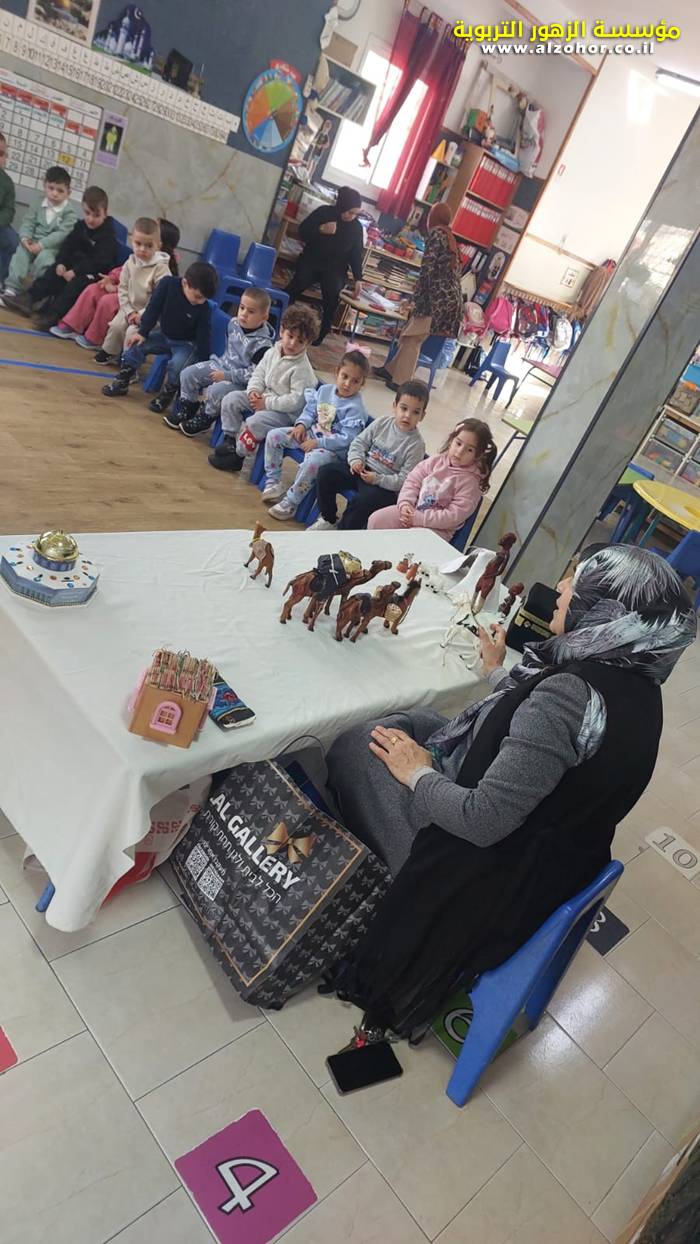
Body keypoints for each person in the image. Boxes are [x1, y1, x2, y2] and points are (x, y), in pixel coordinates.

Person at [324, 545, 697, 1039]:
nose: (561, 587)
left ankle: (378, 874)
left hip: (479, 872)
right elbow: (539, 735)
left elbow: (482, 820)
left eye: (576, 582)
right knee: (413, 723)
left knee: (355, 745)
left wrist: (418, 775)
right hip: (544, 851)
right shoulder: (637, 684)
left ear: (606, 610)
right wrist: (497, 673)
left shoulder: (569, 695)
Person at [208, 303, 318, 476]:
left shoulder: (302, 369)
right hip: (264, 397)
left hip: (285, 414)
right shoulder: (272, 352)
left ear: (308, 343)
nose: (292, 343)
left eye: (300, 341)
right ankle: (230, 440)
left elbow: (295, 401)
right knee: (231, 399)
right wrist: (253, 390)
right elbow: (258, 374)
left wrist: (266, 403)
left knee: (255, 422)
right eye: (290, 336)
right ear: (282, 331)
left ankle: (238, 456)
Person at [263, 350, 371, 521]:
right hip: (309, 434)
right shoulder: (324, 391)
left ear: (362, 384)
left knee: (313, 463)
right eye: (345, 376)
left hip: (332, 450)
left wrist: (318, 443)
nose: (347, 384)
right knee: (274, 436)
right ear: (337, 372)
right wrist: (301, 425)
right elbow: (309, 412)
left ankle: (291, 502)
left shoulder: (356, 409)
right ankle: (273, 481)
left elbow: (347, 439)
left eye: (355, 381)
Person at [310, 379, 428, 531]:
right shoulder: (383, 422)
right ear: (395, 406)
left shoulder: (417, 445)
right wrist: (356, 460)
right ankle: (328, 519)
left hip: (384, 486)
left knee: (364, 502)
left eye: (415, 412)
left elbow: (405, 481)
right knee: (326, 473)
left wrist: (377, 479)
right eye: (404, 408)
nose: (407, 415)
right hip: (362, 469)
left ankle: (342, 532)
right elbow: (359, 443)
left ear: (422, 416)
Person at [101, 260, 218, 409]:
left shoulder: (204, 307)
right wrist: (142, 332)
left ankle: (166, 395)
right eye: (197, 296)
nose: (200, 301)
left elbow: (204, 335)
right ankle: (122, 381)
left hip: (185, 344)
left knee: (177, 365)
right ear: (185, 283)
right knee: (136, 345)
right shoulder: (167, 284)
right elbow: (153, 308)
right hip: (163, 335)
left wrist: (203, 363)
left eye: (204, 299)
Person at [50, 217, 171, 356]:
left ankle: (95, 338)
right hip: (122, 292)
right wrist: (111, 278)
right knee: (93, 289)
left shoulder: (161, 267)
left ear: (158, 245)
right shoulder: (134, 258)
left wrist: (116, 289)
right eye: (138, 244)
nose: (142, 249)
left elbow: (152, 296)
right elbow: (122, 271)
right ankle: (73, 325)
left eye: (148, 246)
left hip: (135, 304)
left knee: (107, 302)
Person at [374, 203, 462, 389]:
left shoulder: (436, 234)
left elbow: (427, 271)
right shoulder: (449, 236)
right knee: (408, 336)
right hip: (446, 301)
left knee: (413, 339)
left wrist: (415, 301)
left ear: (434, 217)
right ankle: (391, 370)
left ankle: (401, 382)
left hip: (436, 301)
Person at [6, 186, 116, 331]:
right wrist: (61, 263)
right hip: (74, 267)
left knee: (76, 284)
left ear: (105, 213)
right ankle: (29, 298)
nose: (90, 219)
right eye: (87, 213)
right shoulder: (80, 226)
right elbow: (67, 246)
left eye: (96, 215)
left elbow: (98, 262)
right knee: (54, 271)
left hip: (94, 274)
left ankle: (54, 315)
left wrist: (75, 271)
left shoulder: (108, 237)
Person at [368, 418, 495, 543]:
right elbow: (412, 481)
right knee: (376, 520)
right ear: (451, 440)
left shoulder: (470, 483)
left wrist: (420, 518)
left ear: (478, 455)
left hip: (437, 529)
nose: (460, 451)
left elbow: (453, 516)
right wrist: (405, 504)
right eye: (458, 443)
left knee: (407, 542)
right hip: (412, 511)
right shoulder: (435, 461)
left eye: (470, 450)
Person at [172, 287, 274, 435]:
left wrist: (226, 376)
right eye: (242, 307)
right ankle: (188, 408)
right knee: (188, 373)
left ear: (264, 317)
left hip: (241, 382)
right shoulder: (233, 323)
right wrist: (221, 368)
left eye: (251, 311)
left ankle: (206, 417)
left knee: (216, 390)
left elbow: (253, 376)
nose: (244, 314)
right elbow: (229, 352)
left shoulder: (263, 346)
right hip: (221, 365)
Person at [286, 186, 364, 345]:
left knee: (332, 295)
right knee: (298, 283)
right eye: (350, 212)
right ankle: (278, 315)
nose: (353, 216)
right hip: (312, 260)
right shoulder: (324, 212)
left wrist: (358, 278)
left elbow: (356, 254)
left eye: (356, 214)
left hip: (335, 267)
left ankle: (321, 333)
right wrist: (320, 229)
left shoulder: (356, 227)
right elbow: (303, 231)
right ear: (342, 206)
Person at [2, 164, 78, 304]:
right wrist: (25, 238)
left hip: (51, 248)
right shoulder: (38, 202)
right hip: (32, 242)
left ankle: (33, 295)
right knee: (20, 255)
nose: (54, 193)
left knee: (45, 261)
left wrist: (42, 245)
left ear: (69, 192)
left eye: (60, 190)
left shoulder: (70, 213)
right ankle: (12, 290)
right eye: (51, 188)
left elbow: (61, 234)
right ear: (44, 186)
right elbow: (28, 221)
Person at [0, 132, 18, 291]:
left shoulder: (6, 182)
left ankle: (1, 279)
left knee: (13, 240)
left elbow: (9, 209)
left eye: (1, 154)